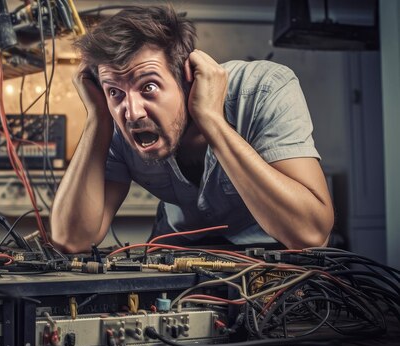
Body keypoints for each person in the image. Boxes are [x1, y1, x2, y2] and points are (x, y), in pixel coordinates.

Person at [50, 6, 334, 253]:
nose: (133, 112)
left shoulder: (263, 88)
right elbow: (72, 240)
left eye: (148, 87)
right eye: (115, 92)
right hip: (176, 244)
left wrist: (211, 119)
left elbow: (310, 234)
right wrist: (98, 118)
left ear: (187, 79)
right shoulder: (114, 121)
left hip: (272, 244)